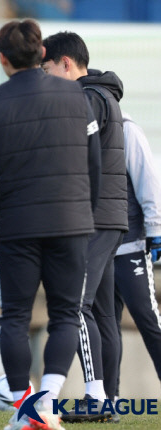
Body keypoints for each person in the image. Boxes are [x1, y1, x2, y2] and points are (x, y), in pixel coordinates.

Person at [0, 19, 102, 430]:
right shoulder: (79, 96)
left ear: (2, 59)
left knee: (16, 318)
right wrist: (85, 213)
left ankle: (29, 409)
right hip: (72, 223)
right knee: (66, 315)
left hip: (19, 227)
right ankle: (45, 404)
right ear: (41, 54)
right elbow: (95, 164)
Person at [42, 31, 128, 422]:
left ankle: (96, 398)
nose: (44, 79)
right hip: (109, 217)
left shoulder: (87, 99)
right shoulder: (103, 96)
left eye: (46, 70)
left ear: (65, 64)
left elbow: (71, 156)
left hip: (93, 218)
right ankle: (108, 400)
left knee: (74, 306)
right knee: (103, 314)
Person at [113, 112, 161, 398]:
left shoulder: (126, 129)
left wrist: (155, 228)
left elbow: (147, 178)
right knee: (106, 327)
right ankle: (107, 400)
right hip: (95, 250)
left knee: (149, 320)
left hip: (130, 245)